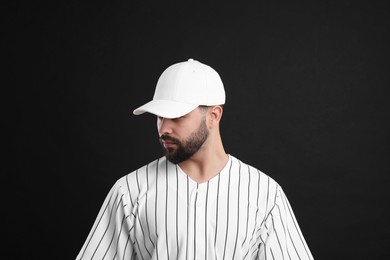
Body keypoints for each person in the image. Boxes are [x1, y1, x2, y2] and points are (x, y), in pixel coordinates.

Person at [76, 59, 314, 260]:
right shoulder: (129, 191)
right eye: (159, 116)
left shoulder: (265, 195)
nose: (164, 128)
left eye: (177, 116)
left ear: (213, 115)